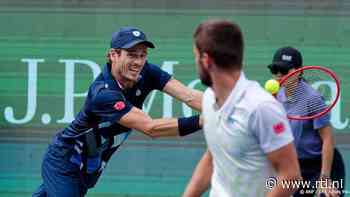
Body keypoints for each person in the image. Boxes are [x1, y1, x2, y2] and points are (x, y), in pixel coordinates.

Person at [32, 26, 203, 197]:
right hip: (66, 160)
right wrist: (205, 120)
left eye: (142, 55)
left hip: (91, 165)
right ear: (114, 55)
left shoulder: (147, 71)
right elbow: (151, 128)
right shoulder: (104, 94)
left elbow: (189, 95)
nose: (138, 62)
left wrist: (222, 106)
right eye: (131, 54)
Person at [182, 19, 301, 197]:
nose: (195, 62)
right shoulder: (208, 98)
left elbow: (290, 176)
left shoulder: (261, 108)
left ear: (206, 60)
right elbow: (214, 156)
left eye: (195, 56)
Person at [267, 46, 346, 197]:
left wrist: (325, 178)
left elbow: (327, 139)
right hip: (295, 165)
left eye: (284, 70)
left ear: (298, 71)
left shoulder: (312, 98)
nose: (278, 75)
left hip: (320, 165)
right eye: (275, 69)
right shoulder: (276, 95)